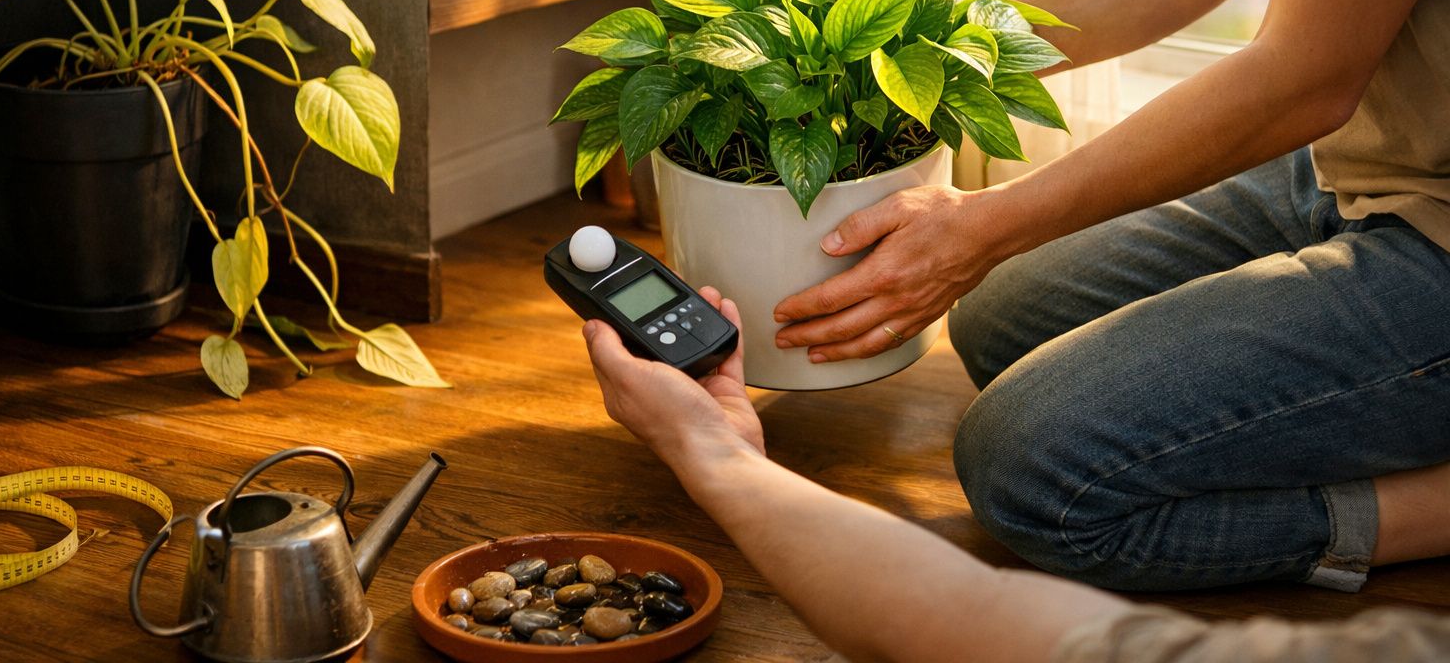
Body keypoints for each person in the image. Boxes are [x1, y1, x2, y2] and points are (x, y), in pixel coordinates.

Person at [764, 0, 1450, 595]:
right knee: (1008, 316)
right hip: (1373, 159)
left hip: (1438, 225)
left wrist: (980, 224)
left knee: (1036, 474)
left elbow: (1305, 75)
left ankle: (1427, 505)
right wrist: (911, 64)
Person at [585, 289, 1450, 662]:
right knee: (1007, 312)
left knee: (1035, 475)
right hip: (1378, 172)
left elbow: (979, 627)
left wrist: (717, 453)